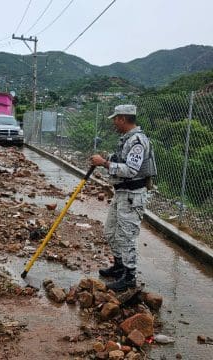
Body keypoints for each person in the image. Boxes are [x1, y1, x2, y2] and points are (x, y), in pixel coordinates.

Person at [91, 104, 157, 292]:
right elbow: (122, 160)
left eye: (115, 119)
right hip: (122, 193)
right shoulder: (127, 139)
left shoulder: (137, 141)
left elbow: (131, 170)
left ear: (122, 118)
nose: (114, 122)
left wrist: (104, 163)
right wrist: (108, 159)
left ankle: (129, 277)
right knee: (111, 232)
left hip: (132, 195)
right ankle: (119, 265)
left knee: (126, 237)